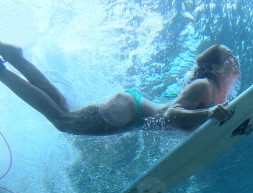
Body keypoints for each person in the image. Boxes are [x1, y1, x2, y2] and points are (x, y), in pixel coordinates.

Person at [0, 42, 240, 135]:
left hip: (130, 112)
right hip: (131, 112)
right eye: (228, 55)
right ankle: (4, 72)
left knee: (63, 108)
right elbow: (170, 115)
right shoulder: (204, 87)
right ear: (216, 67)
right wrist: (209, 113)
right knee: (63, 121)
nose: (234, 59)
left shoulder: (218, 94)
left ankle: (16, 58)